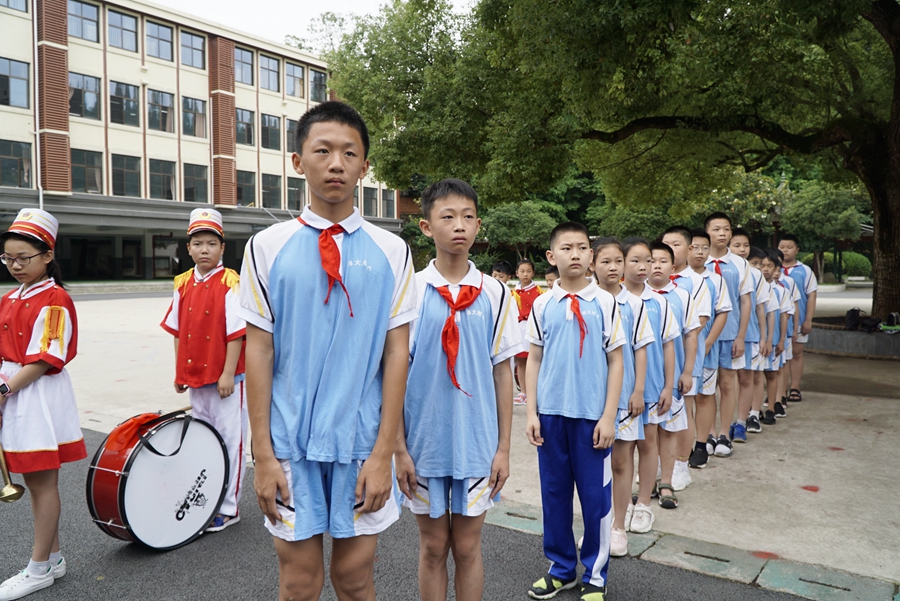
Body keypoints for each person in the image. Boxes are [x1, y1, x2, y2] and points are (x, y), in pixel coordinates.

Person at [238, 101, 417, 601]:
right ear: (298, 161)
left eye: (349, 153)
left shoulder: (392, 250)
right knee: (299, 583)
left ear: (364, 166)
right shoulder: (266, 246)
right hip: (288, 445)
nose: (336, 163)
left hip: (360, 444)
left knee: (355, 579)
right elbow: (259, 351)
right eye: (323, 151)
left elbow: (396, 353)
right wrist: (262, 454)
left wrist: (383, 453)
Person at [395, 178, 522, 601]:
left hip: (477, 442)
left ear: (478, 225)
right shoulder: (409, 291)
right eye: (447, 217)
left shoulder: (496, 293)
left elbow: (503, 373)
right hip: (424, 443)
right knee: (433, 546)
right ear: (426, 227)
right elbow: (394, 375)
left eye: (468, 217)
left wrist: (503, 449)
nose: (459, 226)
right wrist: (399, 448)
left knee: (467, 547)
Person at [525, 223, 625, 601]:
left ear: (591, 256)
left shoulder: (606, 302)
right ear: (552, 257)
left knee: (595, 499)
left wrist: (608, 416)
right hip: (550, 416)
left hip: (591, 417)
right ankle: (561, 568)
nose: (576, 255)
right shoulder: (542, 304)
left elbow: (616, 361)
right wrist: (531, 413)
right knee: (554, 495)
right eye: (566, 248)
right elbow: (534, 359)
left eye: (582, 247)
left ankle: (595, 575)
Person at [0, 209, 87, 601]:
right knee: (36, 483)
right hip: (14, 390)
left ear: (48, 255)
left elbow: (45, 357)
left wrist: (4, 390)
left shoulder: (55, 299)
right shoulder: (10, 297)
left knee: (41, 481)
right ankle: (52, 558)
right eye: (8, 258)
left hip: (35, 393)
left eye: (24, 258)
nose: (15, 266)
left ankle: (38, 569)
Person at [161, 208, 247, 531]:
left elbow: (236, 333)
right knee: (203, 440)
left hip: (226, 380)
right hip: (196, 378)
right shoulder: (182, 282)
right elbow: (177, 331)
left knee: (230, 441)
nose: (205, 250)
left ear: (222, 248)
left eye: (212, 243)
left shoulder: (231, 282)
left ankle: (229, 507)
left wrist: (227, 374)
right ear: (188, 248)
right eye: (198, 244)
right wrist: (179, 371)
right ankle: (206, 499)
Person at [593, 237, 653, 557]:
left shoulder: (635, 304)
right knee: (593, 466)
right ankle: (597, 527)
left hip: (625, 397)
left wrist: (638, 390)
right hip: (591, 396)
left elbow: (640, 349)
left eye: (618, 261)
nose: (613, 267)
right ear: (592, 265)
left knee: (620, 461)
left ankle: (618, 527)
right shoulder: (587, 300)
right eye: (606, 262)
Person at [621, 238, 677, 534]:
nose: (644, 266)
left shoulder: (659, 302)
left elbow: (668, 346)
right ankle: (623, 504)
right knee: (623, 449)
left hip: (653, 387)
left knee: (647, 444)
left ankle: (643, 504)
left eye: (649, 260)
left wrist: (668, 386)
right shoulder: (611, 300)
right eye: (635, 260)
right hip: (620, 389)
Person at [645, 241, 700, 510]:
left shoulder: (682, 296)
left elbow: (691, 335)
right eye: (651, 261)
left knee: (668, 430)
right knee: (645, 434)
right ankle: (647, 481)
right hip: (642, 379)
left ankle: (666, 481)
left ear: (673, 265)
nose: (656, 266)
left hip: (672, 377)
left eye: (663, 261)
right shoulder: (634, 296)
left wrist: (687, 371)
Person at [661, 226, 710, 490]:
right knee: (659, 411)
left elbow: (699, 322)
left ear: (689, 248)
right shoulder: (651, 279)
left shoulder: (695, 281)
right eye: (665, 243)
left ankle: (681, 464)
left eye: (676, 244)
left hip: (685, 356)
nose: (670, 248)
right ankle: (660, 465)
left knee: (683, 410)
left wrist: (678, 353)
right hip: (657, 359)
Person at [704, 213, 753, 457]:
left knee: (726, 384)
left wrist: (741, 336)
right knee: (706, 387)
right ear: (707, 232)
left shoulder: (740, 264)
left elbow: (745, 301)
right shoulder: (699, 260)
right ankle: (708, 434)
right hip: (704, 336)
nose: (722, 233)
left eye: (726, 229)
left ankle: (724, 434)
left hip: (730, 334)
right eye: (716, 229)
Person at [687, 230, 731, 468]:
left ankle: (701, 444)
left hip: (704, 349)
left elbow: (722, 313)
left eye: (705, 248)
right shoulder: (674, 279)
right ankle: (681, 448)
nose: (700, 252)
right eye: (695, 247)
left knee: (704, 396)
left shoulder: (715, 280)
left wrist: (707, 343)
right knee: (683, 400)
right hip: (680, 351)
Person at [727, 232, 770, 441]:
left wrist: (764, 337)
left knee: (746, 378)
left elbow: (760, 307)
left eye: (745, 245)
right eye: (737, 245)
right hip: (725, 333)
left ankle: (742, 423)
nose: (742, 249)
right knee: (726, 381)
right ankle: (724, 427)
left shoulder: (755, 274)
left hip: (750, 334)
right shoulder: (720, 269)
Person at [778, 234, 817, 403]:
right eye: (782, 247)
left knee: (796, 353)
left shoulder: (805, 270)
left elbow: (811, 295)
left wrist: (808, 319)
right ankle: (778, 392)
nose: (785, 250)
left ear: (797, 250)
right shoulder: (772, 268)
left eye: (789, 247)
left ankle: (795, 387)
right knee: (779, 356)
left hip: (798, 321)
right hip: (777, 322)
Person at [760, 249, 791, 425]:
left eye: (770, 266)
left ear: (776, 269)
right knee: (754, 377)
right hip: (756, 340)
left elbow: (784, 316)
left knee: (771, 374)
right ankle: (754, 410)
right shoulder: (752, 288)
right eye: (762, 265)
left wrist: (781, 340)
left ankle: (771, 408)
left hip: (773, 340)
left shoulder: (780, 291)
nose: (765, 269)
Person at [512, 259, 542, 405]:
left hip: (531, 328)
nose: (525, 274)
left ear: (533, 273)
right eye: (522, 271)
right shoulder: (513, 292)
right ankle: (522, 391)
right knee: (520, 361)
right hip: (518, 329)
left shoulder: (538, 292)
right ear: (516, 273)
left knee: (533, 360)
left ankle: (532, 392)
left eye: (528, 271)